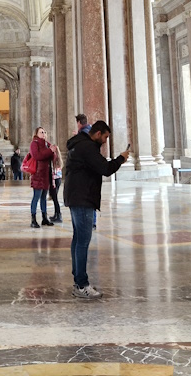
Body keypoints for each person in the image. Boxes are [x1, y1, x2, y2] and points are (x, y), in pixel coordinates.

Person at [63, 120, 129, 299]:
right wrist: (121, 158)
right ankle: (81, 284)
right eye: (105, 137)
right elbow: (105, 168)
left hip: (76, 196)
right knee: (83, 241)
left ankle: (78, 279)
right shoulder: (87, 147)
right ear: (98, 133)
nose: (106, 141)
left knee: (78, 239)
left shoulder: (78, 144)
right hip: (83, 197)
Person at [29, 127, 55, 228]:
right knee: (36, 197)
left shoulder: (47, 144)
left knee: (44, 197)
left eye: (44, 132)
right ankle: (33, 219)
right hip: (38, 174)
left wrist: (54, 152)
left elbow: (51, 156)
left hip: (46, 174)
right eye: (41, 132)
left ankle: (44, 218)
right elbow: (37, 156)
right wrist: (50, 151)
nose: (43, 134)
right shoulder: (34, 143)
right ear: (36, 134)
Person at [48, 144, 63, 223]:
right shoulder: (58, 158)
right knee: (54, 198)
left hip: (55, 179)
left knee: (55, 198)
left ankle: (59, 215)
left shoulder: (54, 158)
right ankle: (56, 214)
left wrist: (53, 182)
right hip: (58, 179)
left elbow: (54, 171)